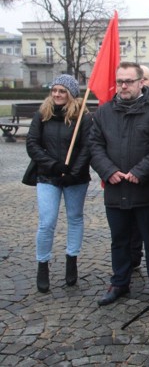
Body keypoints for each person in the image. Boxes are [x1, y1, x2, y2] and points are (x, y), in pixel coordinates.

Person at [90, 61, 149, 307]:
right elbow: (94, 145)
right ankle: (119, 282)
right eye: (120, 81)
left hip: (146, 190)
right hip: (116, 189)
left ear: (141, 82)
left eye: (129, 81)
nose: (123, 86)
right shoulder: (104, 112)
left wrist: (140, 171)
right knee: (120, 240)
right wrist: (108, 171)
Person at [26, 74, 92, 293]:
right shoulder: (42, 114)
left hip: (76, 178)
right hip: (47, 176)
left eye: (62, 91)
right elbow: (32, 144)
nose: (57, 94)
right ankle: (42, 265)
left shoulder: (83, 116)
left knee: (75, 218)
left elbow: (87, 147)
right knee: (47, 222)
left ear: (71, 94)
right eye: (54, 90)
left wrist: (74, 172)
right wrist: (53, 165)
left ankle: (71, 260)